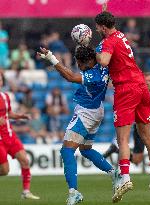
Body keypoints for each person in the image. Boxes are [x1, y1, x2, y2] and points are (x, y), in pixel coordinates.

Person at [95, 10, 150, 202]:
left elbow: (104, 61)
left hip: (126, 89)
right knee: (148, 136)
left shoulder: (109, 41)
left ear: (102, 27)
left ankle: (125, 178)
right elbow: (109, 33)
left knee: (123, 139)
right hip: (142, 86)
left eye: (98, 27)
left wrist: (95, 51)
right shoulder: (120, 35)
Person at [38, 46, 120, 205]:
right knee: (86, 150)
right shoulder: (103, 67)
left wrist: (51, 58)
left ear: (88, 61)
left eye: (79, 62)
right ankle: (114, 173)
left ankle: (74, 192)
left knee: (67, 151)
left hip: (86, 113)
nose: (78, 65)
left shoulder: (93, 75)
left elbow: (69, 76)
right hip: (97, 110)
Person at [0, 73, 39, 199]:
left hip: (10, 135)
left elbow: (9, 113)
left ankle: (26, 192)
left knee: (25, 160)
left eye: (0, 79)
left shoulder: (5, 96)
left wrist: (20, 116)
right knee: (5, 171)